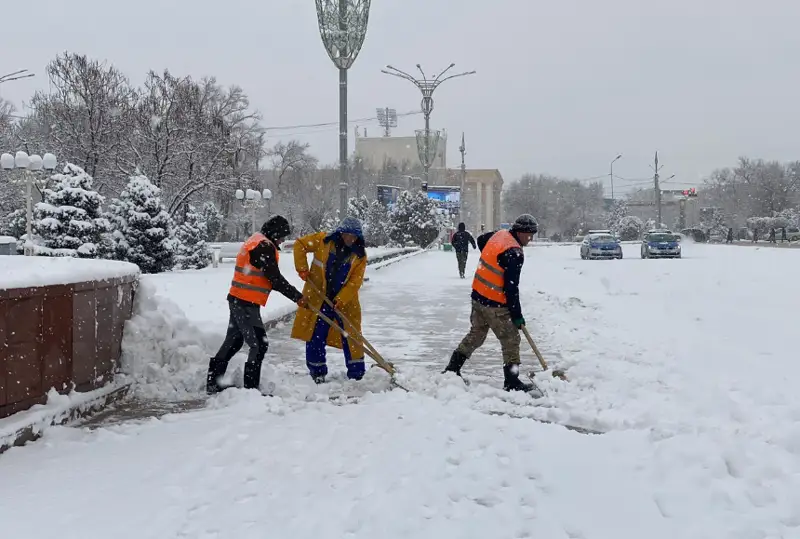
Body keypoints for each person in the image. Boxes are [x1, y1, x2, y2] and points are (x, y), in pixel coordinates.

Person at [206, 216, 307, 395]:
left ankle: (214, 383)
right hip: (246, 303)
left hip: (238, 299)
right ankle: (251, 390)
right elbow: (274, 278)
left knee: (234, 341)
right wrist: (297, 297)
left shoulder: (256, 240)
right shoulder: (264, 246)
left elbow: (268, 276)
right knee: (259, 345)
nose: (282, 240)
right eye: (282, 236)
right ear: (274, 233)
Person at [443, 214, 539, 392]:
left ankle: (452, 368)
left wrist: (492, 259)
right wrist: (517, 315)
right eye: (529, 235)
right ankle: (512, 382)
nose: (530, 238)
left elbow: (481, 240)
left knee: (476, 335)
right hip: (495, 304)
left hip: (478, 296)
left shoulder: (499, 235)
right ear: (520, 232)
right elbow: (511, 288)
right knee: (511, 339)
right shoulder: (514, 252)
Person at [291, 217, 368, 384]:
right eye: (347, 234)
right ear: (340, 233)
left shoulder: (359, 255)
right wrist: (302, 268)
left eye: (353, 236)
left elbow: (355, 282)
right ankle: (317, 372)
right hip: (319, 298)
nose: (350, 239)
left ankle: (357, 374)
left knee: (352, 338)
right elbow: (300, 244)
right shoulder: (323, 241)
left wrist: (341, 299)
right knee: (316, 335)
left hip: (345, 302)